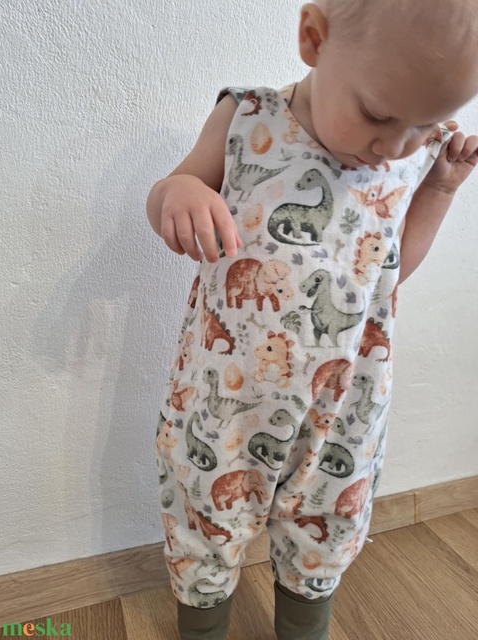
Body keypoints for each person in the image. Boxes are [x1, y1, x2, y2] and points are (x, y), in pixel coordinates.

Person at [146, 1, 478, 638]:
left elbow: (388, 273)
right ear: (314, 39)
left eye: (424, 125)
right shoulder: (245, 116)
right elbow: (172, 189)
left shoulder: (411, 156)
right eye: (377, 115)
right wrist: (178, 191)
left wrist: (437, 189)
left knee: (324, 528)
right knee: (205, 520)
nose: (394, 147)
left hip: (343, 411)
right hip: (224, 403)